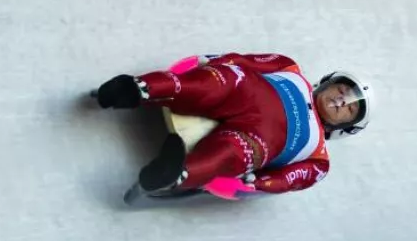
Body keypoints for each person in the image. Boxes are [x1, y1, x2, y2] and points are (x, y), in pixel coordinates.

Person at [93, 52, 372, 198]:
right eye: (343, 92)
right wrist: (218, 62)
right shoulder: (290, 68)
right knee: (217, 82)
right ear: (329, 82)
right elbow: (245, 61)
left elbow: (291, 180)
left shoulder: (319, 158)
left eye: (349, 108)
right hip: (244, 89)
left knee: (233, 152)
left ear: (346, 127)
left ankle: (177, 172)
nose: (340, 101)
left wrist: (261, 183)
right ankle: (136, 89)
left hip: (260, 139)